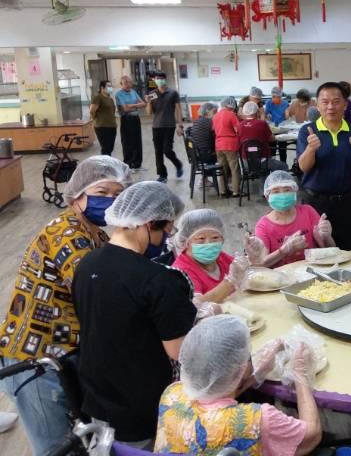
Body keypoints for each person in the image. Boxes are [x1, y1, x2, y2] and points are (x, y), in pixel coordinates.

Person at [0, 156, 131, 456]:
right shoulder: (67, 234)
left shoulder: (93, 231)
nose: (111, 201)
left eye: (117, 194)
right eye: (102, 193)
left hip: (64, 351)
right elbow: (98, 290)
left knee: (74, 437)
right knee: (55, 448)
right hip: (37, 356)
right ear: (77, 195)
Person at [73, 181, 196, 449]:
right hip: (139, 406)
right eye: (167, 229)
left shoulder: (87, 264)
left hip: (97, 396)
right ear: (149, 223)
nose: (167, 238)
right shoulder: (158, 280)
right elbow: (180, 352)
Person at [154, 315, 321, 455]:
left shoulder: (171, 393)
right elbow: (311, 435)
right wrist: (300, 374)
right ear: (241, 369)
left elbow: (213, 400)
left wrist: (255, 375)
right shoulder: (258, 419)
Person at [296, 82, 351, 250]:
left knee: (349, 251)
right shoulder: (307, 131)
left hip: (347, 203)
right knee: (317, 253)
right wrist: (311, 149)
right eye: (325, 101)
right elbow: (303, 167)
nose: (330, 107)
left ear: (345, 104)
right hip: (315, 204)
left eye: (336, 101)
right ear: (317, 104)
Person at [247, 171, 335, 268]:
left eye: (287, 190)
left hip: (313, 272)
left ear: (295, 192)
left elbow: (331, 250)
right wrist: (284, 250)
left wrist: (327, 237)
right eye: (276, 191)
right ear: (268, 197)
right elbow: (260, 264)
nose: (282, 195)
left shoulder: (308, 212)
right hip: (283, 279)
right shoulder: (263, 226)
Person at [171, 208, 249, 299]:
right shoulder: (181, 272)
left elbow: (246, 275)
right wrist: (231, 281)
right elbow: (196, 306)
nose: (209, 244)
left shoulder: (220, 257)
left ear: (222, 238)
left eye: (215, 237)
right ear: (186, 242)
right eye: (201, 239)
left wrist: (253, 259)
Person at [145, 70, 184, 183]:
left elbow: (178, 109)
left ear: (165, 79)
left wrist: (180, 125)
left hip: (169, 125)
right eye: (157, 79)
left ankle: (178, 164)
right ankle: (162, 175)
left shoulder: (173, 93)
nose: (159, 81)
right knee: (158, 151)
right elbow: (148, 113)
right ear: (154, 80)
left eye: (161, 78)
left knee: (167, 150)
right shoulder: (152, 93)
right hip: (156, 126)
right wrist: (148, 102)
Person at [115, 75, 146, 169]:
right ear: (121, 84)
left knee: (137, 141)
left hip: (136, 119)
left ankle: (137, 163)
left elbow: (144, 103)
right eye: (125, 83)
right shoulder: (119, 94)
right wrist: (137, 105)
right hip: (126, 120)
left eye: (129, 82)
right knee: (128, 142)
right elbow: (125, 108)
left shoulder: (133, 92)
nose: (128, 85)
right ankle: (128, 164)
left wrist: (132, 105)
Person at [213, 96, 241, 197]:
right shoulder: (231, 114)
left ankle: (223, 191)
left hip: (218, 145)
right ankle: (235, 191)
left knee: (222, 169)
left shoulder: (216, 116)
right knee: (234, 169)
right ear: (231, 105)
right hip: (230, 145)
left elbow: (214, 130)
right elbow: (239, 129)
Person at [89, 80, 118, 156]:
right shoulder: (98, 98)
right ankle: (105, 165)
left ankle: (108, 163)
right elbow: (92, 111)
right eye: (108, 86)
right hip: (102, 127)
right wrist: (95, 119)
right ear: (102, 88)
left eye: (111, 86)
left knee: (110, 148)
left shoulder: (110, 99)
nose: (110, 88)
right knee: (106, 148)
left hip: (112, 126)